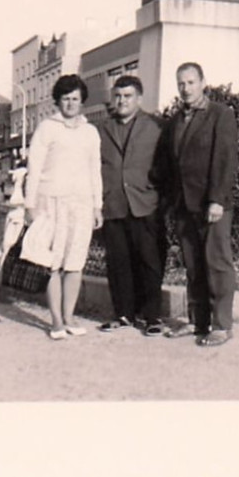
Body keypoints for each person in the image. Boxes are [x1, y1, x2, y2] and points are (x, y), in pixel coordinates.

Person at [162, 62, 238, 347]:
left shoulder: (221, 115)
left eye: (191, 82)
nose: (185, 89)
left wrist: (217, 200)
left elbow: (225, 159)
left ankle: (221, 325)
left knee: (217, 263)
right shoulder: (175, 121)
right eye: (181, 83)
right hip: (184, 205)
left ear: (203, 82)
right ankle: (198, 321)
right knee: (193, 266)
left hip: (212, 204)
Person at [23, 74, 103, 340]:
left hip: (81, 204)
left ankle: (69, 316)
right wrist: (29, 204)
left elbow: (95, 171)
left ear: (82, 101)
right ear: (58, 101)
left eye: (75, 99)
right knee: (53, 264)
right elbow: (34, 169)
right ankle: (56, 320)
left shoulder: (90, 132)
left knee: (75, 262)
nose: (70, 104)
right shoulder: (46, 128)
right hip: (51, 202)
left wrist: (97, 206)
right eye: (66, 99)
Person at [97, 75, 166, 336]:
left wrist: (160, 197)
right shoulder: (102, 128)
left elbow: (166, 165)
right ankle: (123, 314)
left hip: (145, 203)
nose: (122, 101)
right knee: (118, 262)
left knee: (150, 261)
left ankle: (152, 317)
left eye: (127, 96)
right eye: (118, 96)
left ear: (139, 98)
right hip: (114, 204)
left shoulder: (157, 126)